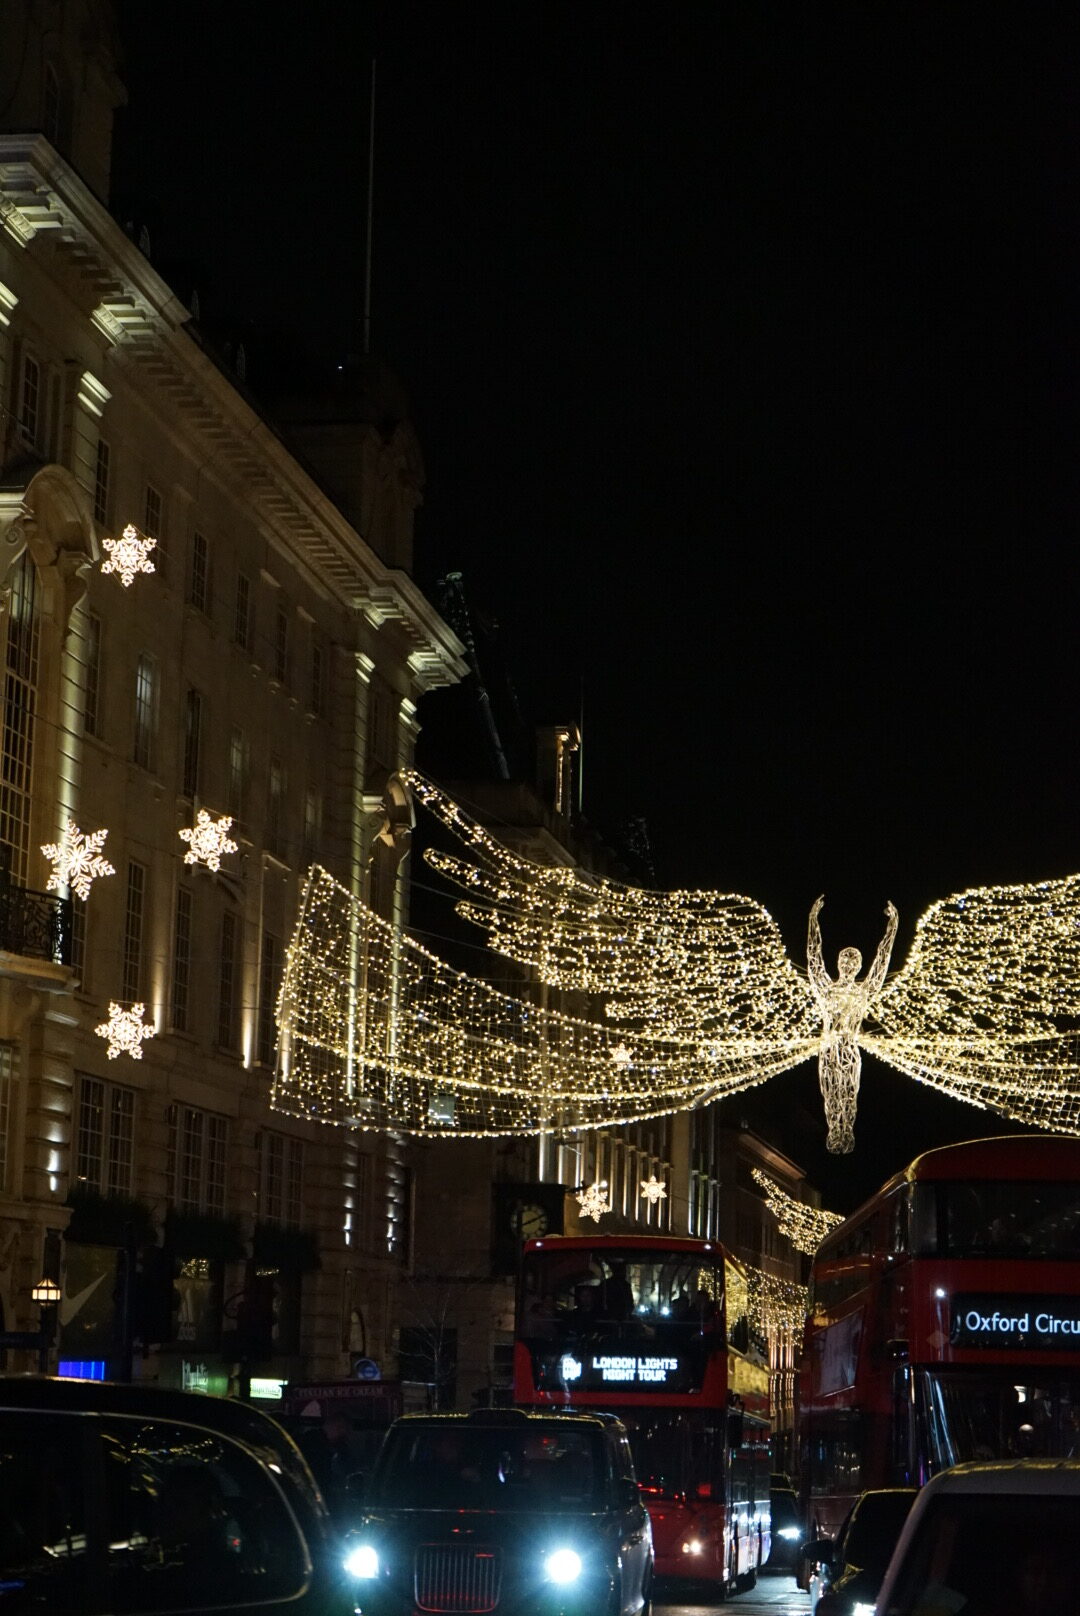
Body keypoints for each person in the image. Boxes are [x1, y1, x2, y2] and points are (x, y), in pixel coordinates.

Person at [807, 896, 898, 1153]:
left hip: (850, 1049)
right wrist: (813, 920)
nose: (848, 964)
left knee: (848, 1095)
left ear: (858, 966)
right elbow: (813, 957)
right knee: (830, 1095)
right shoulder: (827, 988)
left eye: (853, 962)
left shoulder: (863, 991)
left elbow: (881, 962)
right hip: (829, 1049)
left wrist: (893, 927)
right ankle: (834, 1133)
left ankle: (846, 1134)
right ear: (838, 963)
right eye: (844, 961)